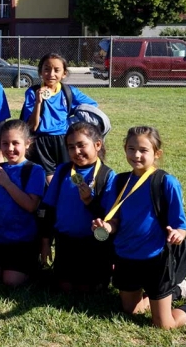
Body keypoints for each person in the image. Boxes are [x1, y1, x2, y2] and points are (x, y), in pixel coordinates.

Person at [92, 126, 186, 329]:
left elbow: (181, 226)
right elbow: (114, 221)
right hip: (125, 257)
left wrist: (177, 234)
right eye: (131, 148)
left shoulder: (166, 182)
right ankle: (176, 292)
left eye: (144, 150)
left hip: (157, 260)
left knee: (164, 324)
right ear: (125, 149)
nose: (136, 155)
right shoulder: (119, 182)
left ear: (157, 153)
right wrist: (106, 227)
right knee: (132, 310)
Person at [40, 122, 115, 293]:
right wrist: (45, 241)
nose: (76, 152)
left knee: (87, 290)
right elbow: (48, 208)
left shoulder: (107, 176)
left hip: (93, 245)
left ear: (97, 145)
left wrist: (89, 201)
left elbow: (110, 219)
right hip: (65, 242)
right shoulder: (62, 171)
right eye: (71, 147)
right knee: (64, 288)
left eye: (81, 145)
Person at [0, 120, 46, 287]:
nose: (10, 149)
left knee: (11, 281)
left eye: (15, 143)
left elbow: (31, 205)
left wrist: (7, 184)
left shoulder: (34, 170)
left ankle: (32, 265)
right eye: (5, 143)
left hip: (22, 239)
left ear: (27, 144)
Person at [20, 53, 97, 184]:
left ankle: (73, 196)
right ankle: (53, 201)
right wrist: (38, 102)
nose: (51, 74)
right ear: (40, 72)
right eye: (47, 69)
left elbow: (92, 106)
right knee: (48, 177)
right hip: (41, 141)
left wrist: (71, 120)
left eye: (56, 70)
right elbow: (32, 126)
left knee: (69, 172)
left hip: (64, 139)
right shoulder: (33, 92)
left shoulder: (69, 91)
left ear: (64, 74)